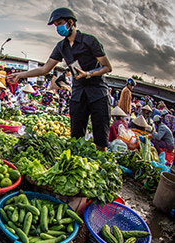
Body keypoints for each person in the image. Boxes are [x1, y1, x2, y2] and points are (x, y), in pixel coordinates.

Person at [7, 7, 113, 151]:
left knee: (100, 138)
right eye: (56, 25)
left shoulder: (89, 41)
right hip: (78, 92)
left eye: (60, 23)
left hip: (97, 92)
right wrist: (20, 75)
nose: (58, 28)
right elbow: (45, 69)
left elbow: (107, 67)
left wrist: (88, 74)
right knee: (76, 137)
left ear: (70, 22)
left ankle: (101, 166)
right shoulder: (61, 47)